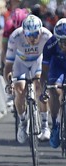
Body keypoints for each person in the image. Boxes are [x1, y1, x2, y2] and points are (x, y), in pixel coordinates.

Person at [3, 15, 52, 144]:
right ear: (24, 32)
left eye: (36, 34)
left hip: (38, 61)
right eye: (29, 35)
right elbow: (8, 65)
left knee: (40, 87)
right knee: (19, 90)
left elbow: (52, 61)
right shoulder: (15, 37)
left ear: (41, 31)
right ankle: (23, 122)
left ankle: (45, 125)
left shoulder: (48, 36)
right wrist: (9, 83)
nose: (33, 38)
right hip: (21, 63)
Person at [41, 18, 66, 148]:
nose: (64, 45)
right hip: (57, 67)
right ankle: (55, 123)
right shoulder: (50, 44)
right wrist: (45, 87)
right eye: (62, 41)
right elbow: (44, 71)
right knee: (55, 90)